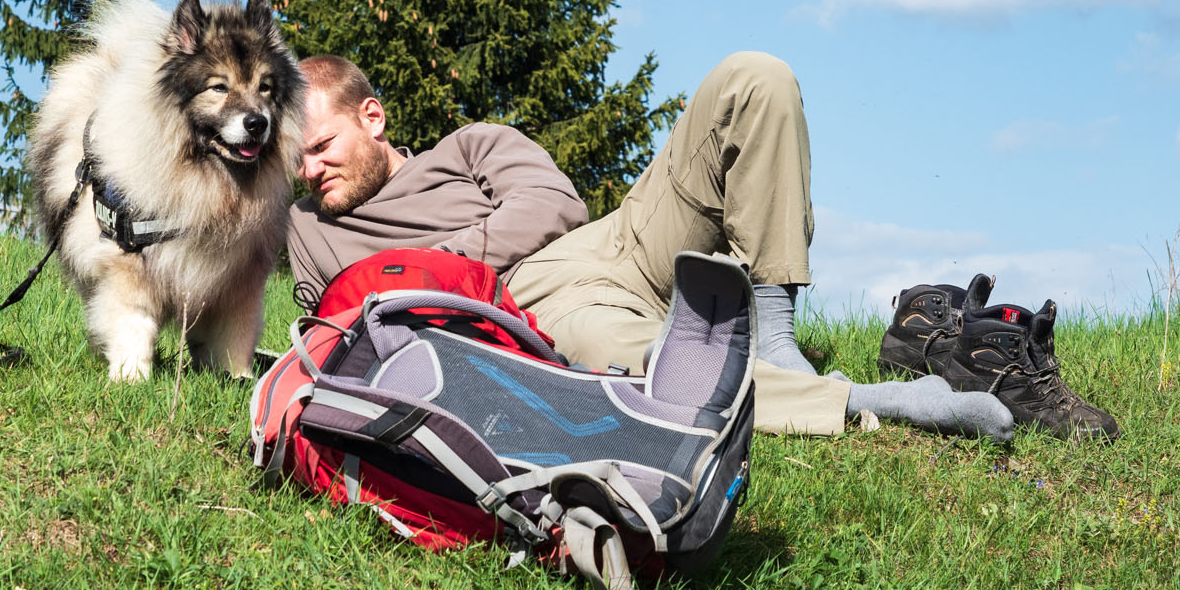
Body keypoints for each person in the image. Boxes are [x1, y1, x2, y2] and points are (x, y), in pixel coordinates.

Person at [288, 52, 1016, 441]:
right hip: (532, 302)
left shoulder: (473, 145)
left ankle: (776, 332)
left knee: (752, 81)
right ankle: (864, 402)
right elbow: (339, 329)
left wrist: (439, 260)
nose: (309, 170)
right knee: (653, 375)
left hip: (614, 238)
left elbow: (553, 205)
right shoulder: (307, 230)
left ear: (373, 117)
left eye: (320, 147)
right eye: (294, 160)